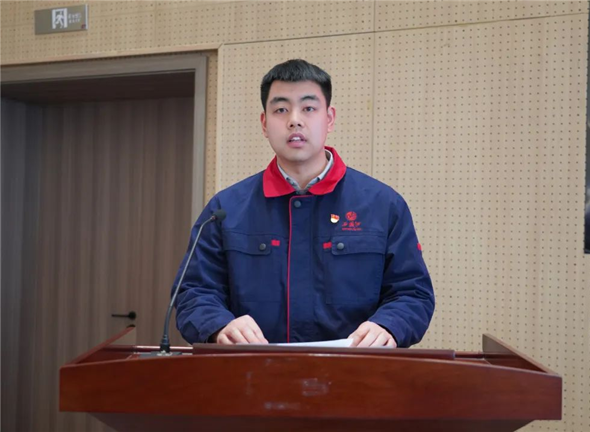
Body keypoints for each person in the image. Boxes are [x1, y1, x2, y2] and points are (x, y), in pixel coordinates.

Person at [173, 59, 434, 348]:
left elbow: (412, 293)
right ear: (264, 123)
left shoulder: (383, 205)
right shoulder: (225, 209)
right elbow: (193, 293)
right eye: (281, 109)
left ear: (329, 119)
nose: (294, 120)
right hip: (252, 370)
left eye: (308, 108)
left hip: (356, 370)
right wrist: (219, 325)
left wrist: (388, 325)